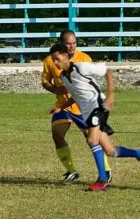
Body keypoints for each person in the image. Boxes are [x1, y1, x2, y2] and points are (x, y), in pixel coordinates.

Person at [48, 42, 140, 192]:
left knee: (92, 140)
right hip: (88, 113)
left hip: (98, 107)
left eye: (57, 59)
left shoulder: (81, 67)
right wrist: (61, 107)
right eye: (53, 60)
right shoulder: (63, 76)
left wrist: (110, 95)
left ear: (66, 56)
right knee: (110, 151)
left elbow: (108, 71)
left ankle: (102, 180)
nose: (55, 62)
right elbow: (77, 94)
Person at [41, 30, 112, 184]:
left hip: (83, 108)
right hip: (63, 106)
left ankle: (105, 170)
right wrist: (56, 90)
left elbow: (91, 83)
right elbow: (45, 81)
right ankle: (71, 171)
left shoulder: (84, 59)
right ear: (61, 44)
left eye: (74, 43)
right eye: (68, 43)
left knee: (93, 140)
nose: (72, 46)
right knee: (57, 134)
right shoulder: (50, 60)